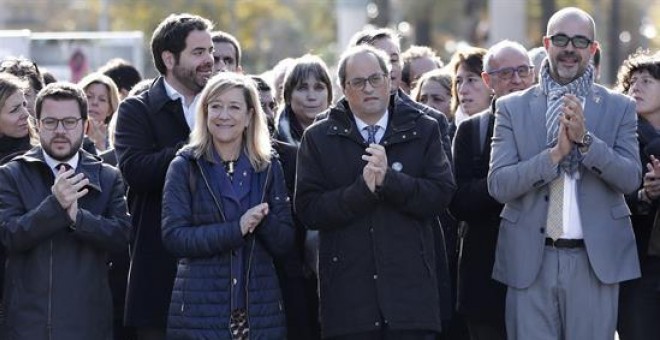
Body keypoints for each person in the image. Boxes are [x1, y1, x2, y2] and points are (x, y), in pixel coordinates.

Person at [487, 7, 641, 339]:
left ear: (593, 49)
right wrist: (554, 155)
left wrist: (586, 141)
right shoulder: (512, 107)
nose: (569, 48)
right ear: (546, 43)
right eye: (561, 39)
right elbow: (499, 184)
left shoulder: (620, 107)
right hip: (531, 260)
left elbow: (630, 179)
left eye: (580, 40)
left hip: (594, 263)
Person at [295, 44, 456, 339]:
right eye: (358, 82)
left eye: (375, 79)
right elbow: (308, 210)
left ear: (389, 80)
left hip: (411, 303)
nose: (368, 88)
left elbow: (441, 195)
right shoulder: (318, 137)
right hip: (349, 305)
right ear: (344, 88)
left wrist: (390, 181)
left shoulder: (425, 128)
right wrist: (361, 191)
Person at [161, 72, 293, 339]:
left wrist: (263, 221)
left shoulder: (269, 166)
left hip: (260, 313)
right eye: (216, 106)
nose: (224, 115)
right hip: (199, 313)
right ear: (205, 112)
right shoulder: (185, 165)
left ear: (248, 116)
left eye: (234, 107)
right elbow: (174, 237)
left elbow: (285, 243)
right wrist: (237, 229)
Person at [0, 82, 130, 339]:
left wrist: (78, 218)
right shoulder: (11, 174)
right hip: (27, 325)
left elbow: (121, 237)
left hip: (88, 325)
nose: (60, 130)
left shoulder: (107, 177)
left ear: (85, 125)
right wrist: (55, 206)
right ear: (36, 125)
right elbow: (8, 236)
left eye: (69, 122)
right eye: (50, 122)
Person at [114, 13, 214, 340]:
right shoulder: (136, 110)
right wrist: (198, 141)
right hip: (158, 269)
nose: (209, 60)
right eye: (198, 53)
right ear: (169, 59)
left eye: (209, 50)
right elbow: (137, 172)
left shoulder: (224, 104)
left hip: (217, 268)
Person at [450, 40, 535, 340]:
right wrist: (511, 179)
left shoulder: (554, 125)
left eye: (523, 71)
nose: (516, 80)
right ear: (488, 81)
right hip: (486, 279)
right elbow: (459, 202)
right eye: (506, 73)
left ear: (534, 74)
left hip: (538, 279)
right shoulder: (472, 131)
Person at [614, 50, 660, 340]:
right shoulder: (618, 135)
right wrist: (644, 194)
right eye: (631, 81)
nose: (636, 87)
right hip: (636, 267)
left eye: (647, 80)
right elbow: (605, 195)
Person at [275, 54, 333, 146]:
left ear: (329, 95)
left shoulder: (348, 137)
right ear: (288, 96)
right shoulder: (270, 144)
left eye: (319, 88)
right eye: (302, 88)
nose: (311, 96)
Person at [450, 47, 491, 128]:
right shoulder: (444, 134)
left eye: (471, 80)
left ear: (490, 82)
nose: (462, 90)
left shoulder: (506, 127)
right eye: (458, 81)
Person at [78, 73, 120, 152]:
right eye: (89, 97)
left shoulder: (117, 140)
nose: (95, 102)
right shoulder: (67, 132)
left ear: (110, 110)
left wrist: (100, 145)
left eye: (102, 99)